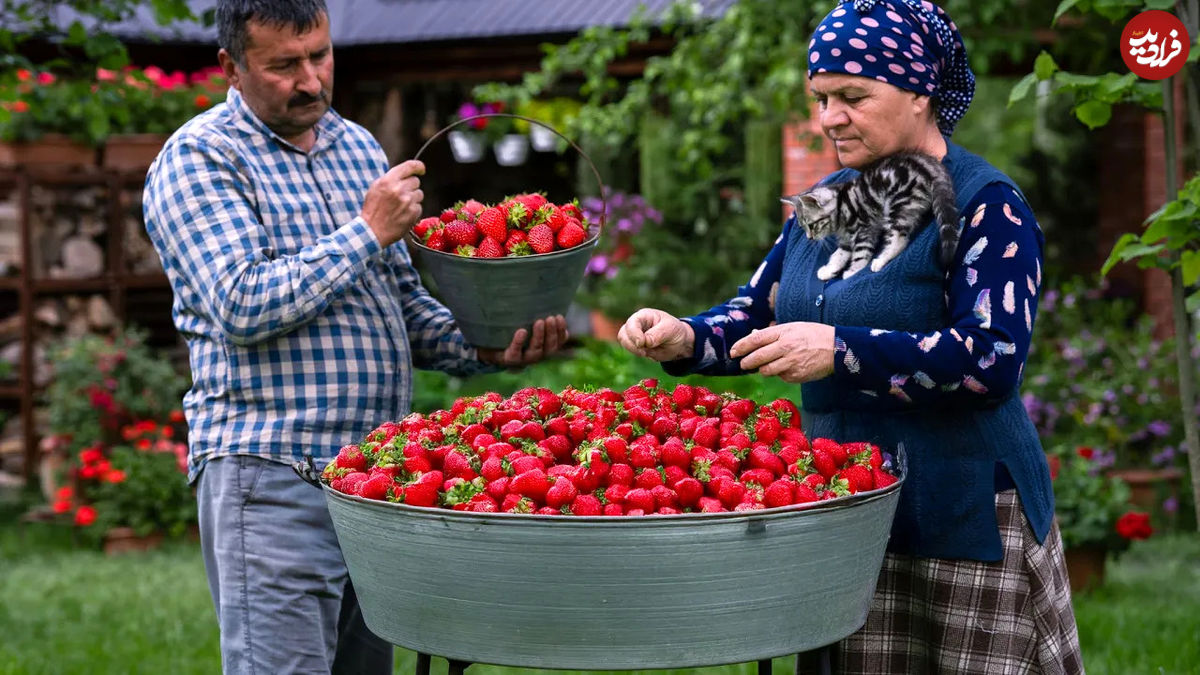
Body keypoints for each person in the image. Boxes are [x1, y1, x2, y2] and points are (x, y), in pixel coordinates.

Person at [618, 0, 1082, 672]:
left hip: (963, 516)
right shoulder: (826, 203)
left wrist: (840, 349)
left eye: (852, 97)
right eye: (822, 97)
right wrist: (685, 336)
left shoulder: (987, 204)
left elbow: (992, 358)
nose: (829, 117)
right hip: (843, 517)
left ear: (920, 91)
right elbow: (760, 311)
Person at [142, 1, 568, 672]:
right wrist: (366, 230)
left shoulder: (356, 148)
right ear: (230, 66)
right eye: (284, 65)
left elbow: (400, 304)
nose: (311, 80)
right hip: (272, 474)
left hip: (376, 479)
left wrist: (485, 346)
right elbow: (241, 302)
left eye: (320, 55)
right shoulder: (199, 158)